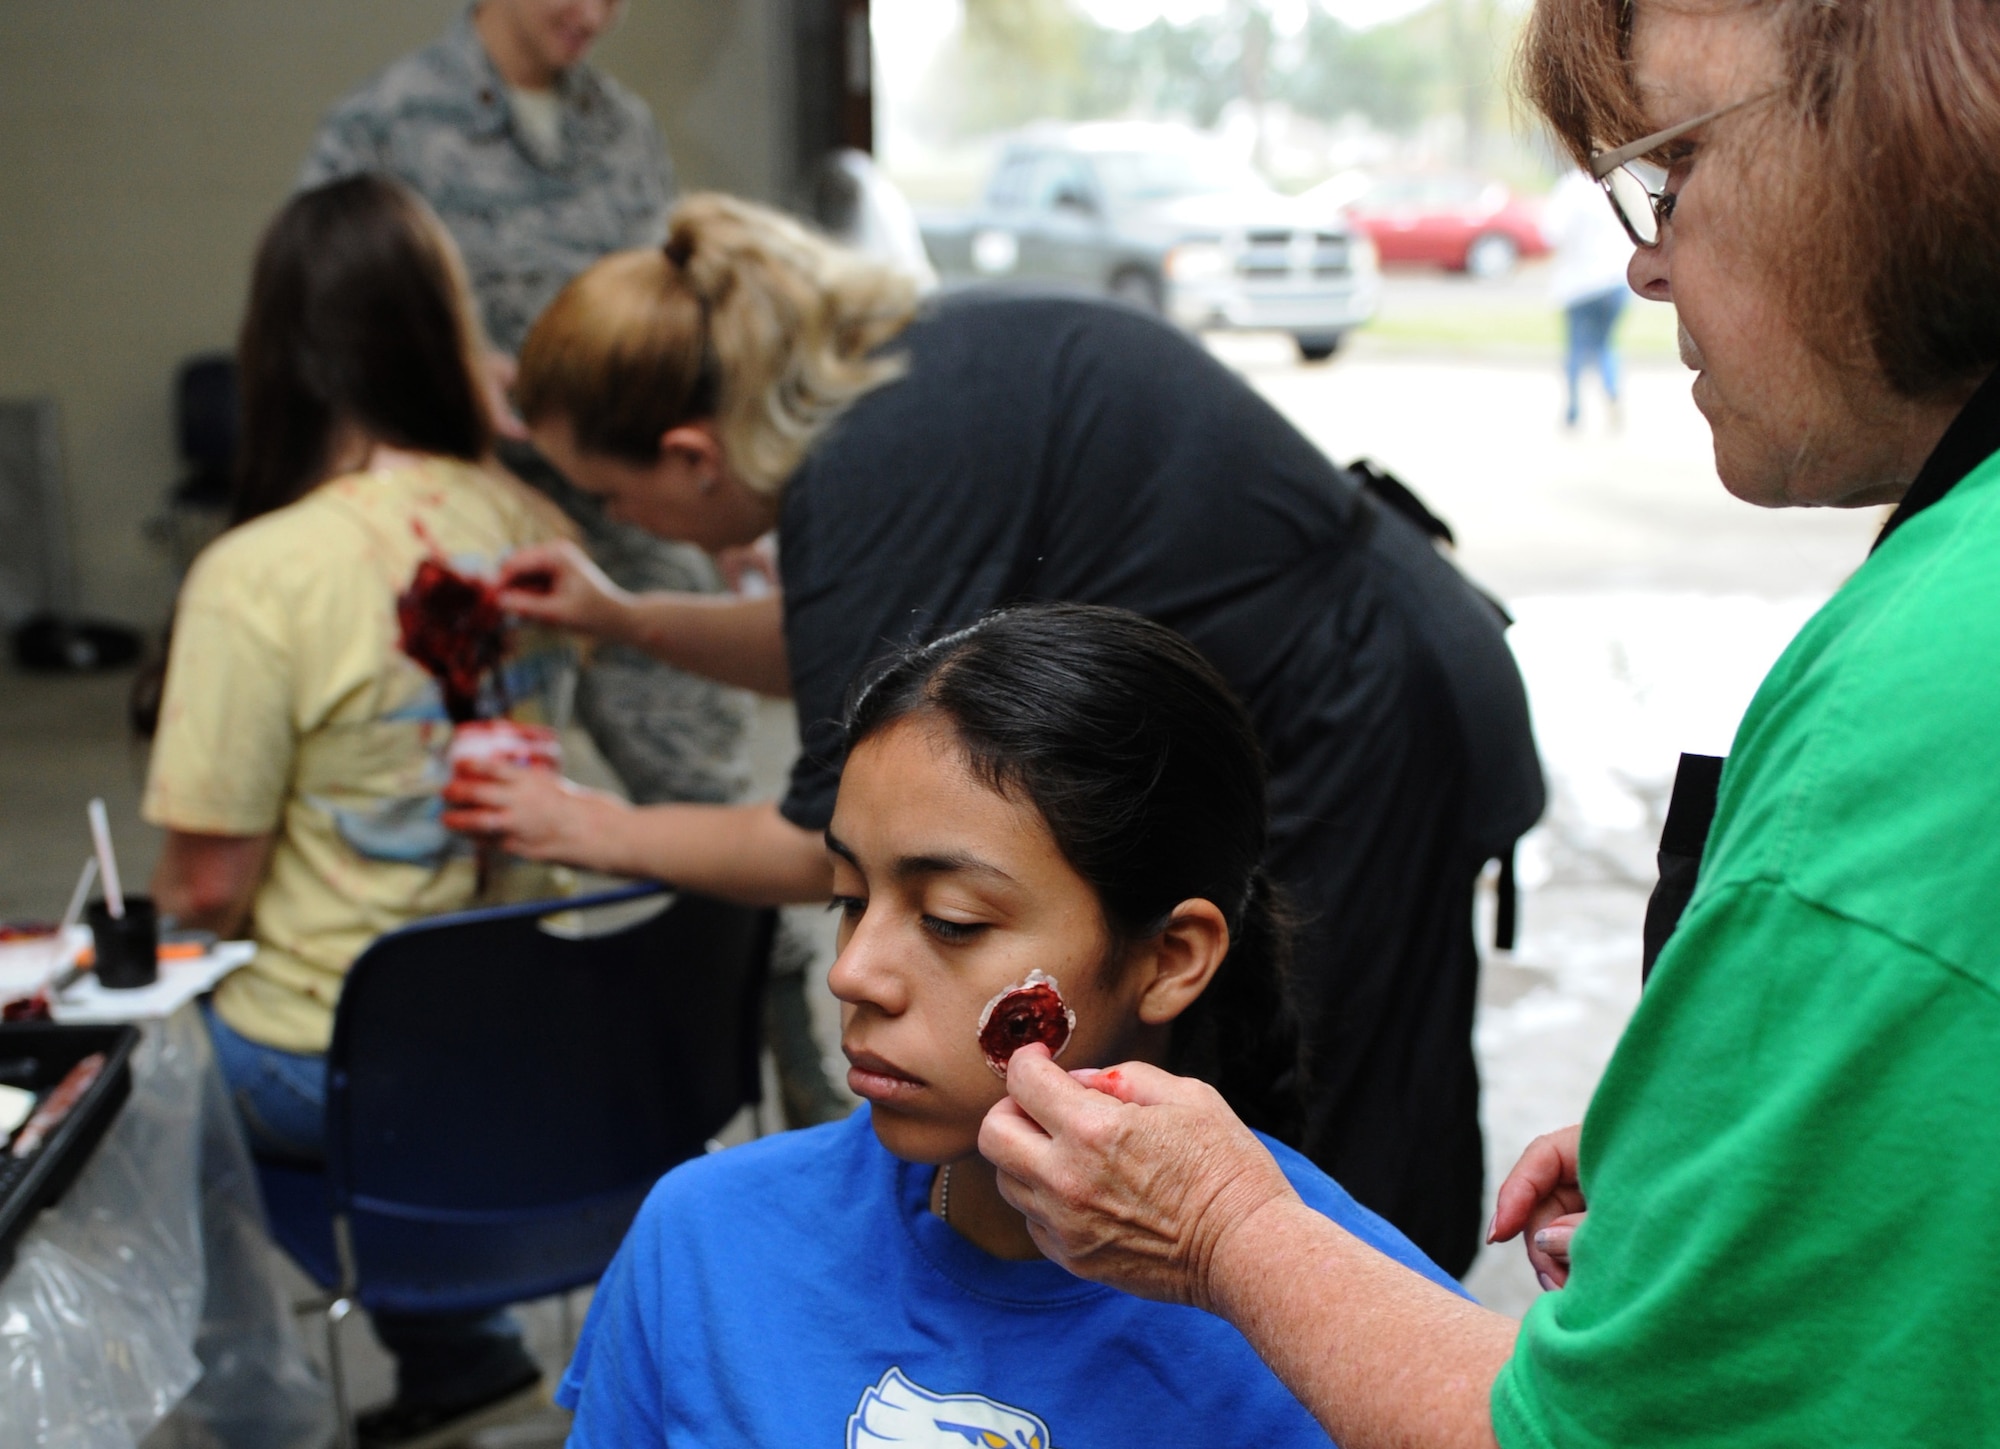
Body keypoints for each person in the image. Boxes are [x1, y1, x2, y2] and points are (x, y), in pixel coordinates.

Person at [972, 1, 2000, 1445]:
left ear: (1905, 132)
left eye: (1674, 173)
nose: (1642, 259)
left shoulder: (1918, 708)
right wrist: (1758, 1151)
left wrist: (1221, 1227)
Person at [441, 193, 1546, 1274]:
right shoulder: (894, 383)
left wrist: (585, 828)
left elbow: (817, 839)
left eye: (615, 502)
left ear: (691, 457)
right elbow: (843, 644)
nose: (857, 973)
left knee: (1346, 1124)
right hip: (1356, 672)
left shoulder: (872, 462)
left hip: (1367, 712)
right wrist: (622, 618)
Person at [558, 603, 1462, 1445]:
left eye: (953, 919)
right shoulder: (708, 1243)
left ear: (1171, 957)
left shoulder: (1369, 1352)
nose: (853, 971)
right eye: (848, 897)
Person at [299, 0, 846, 1125]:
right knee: (449, 826)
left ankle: (796, 1088)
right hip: (465, 535)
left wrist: (731, 514)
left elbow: (667, 332)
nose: (593, 16)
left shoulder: (622, 126)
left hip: (635, 515)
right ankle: (477, 1107)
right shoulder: (386, 125)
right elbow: (330, 309)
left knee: (707, 804)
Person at [144, 175, 572, 1446]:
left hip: (336, 1061)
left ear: (276, 346)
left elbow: (205, 892)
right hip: (529, 1026)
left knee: (126, 1064)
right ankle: (466, 1347)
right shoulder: (532, 524)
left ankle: (246, 1410)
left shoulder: (258, 574)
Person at [1542, 167, 1631, 430]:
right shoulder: (1622, 179)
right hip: (1616, 279)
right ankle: (1612, 392)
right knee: (1605, 346)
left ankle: (1573, 409)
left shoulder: (1571, 188)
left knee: (1577, 348)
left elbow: (1552, 233)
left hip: (1579, 283)